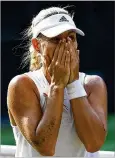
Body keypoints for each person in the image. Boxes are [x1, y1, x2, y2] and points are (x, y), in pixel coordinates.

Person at [7, 6, 107, 157]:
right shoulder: (22, 85)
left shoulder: (93, 84)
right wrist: (57, 86)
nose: (65, 45)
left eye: (71, 38)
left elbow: (93, 144)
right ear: (37, 45)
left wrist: (73, 83)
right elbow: (45, 148)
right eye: (56, 39)